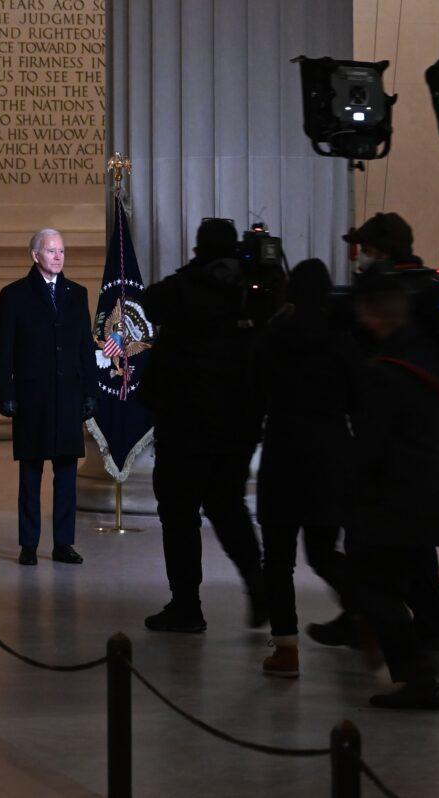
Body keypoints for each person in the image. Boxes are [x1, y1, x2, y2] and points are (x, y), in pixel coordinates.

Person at [140, 218, 267, 634]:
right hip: (237, 425)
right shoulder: (253, 293)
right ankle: (258, 585)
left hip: (186, 424)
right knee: (229, 507)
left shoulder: (182, 290)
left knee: (179, 515)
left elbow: (146, 303)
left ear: (199, 247)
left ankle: (186, 605)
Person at [346, 273, 439, 711]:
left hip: (397, 496)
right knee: (411, 576)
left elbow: (371, 445)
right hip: (431, 489)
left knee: (372, 585)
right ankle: (419, 655)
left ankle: (418, 679)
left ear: (371, 312)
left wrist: (351, 492)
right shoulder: (427, 356)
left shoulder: (384, 372)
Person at [252, 259, 358, 678]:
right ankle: (366, 610)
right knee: (324, 553)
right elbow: (355, 397)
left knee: (277, 560)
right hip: (330, 453)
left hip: (284, 453)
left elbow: (255, 388)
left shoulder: (275, 335)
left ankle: (286, 650)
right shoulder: (341, 338)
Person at [0, 229, 98, 566]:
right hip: (32, 398)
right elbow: (2, 350)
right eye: (51, 251)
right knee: (31, 474)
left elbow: (85, 347)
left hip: (67, 398)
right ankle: (28, 544)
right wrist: (5, 393)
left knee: (66, 474)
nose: (58, 256)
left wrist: (90, 392)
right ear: (35, 254)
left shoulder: (76, 294)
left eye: (62, 251)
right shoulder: (14, 295)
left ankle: (63, 543)